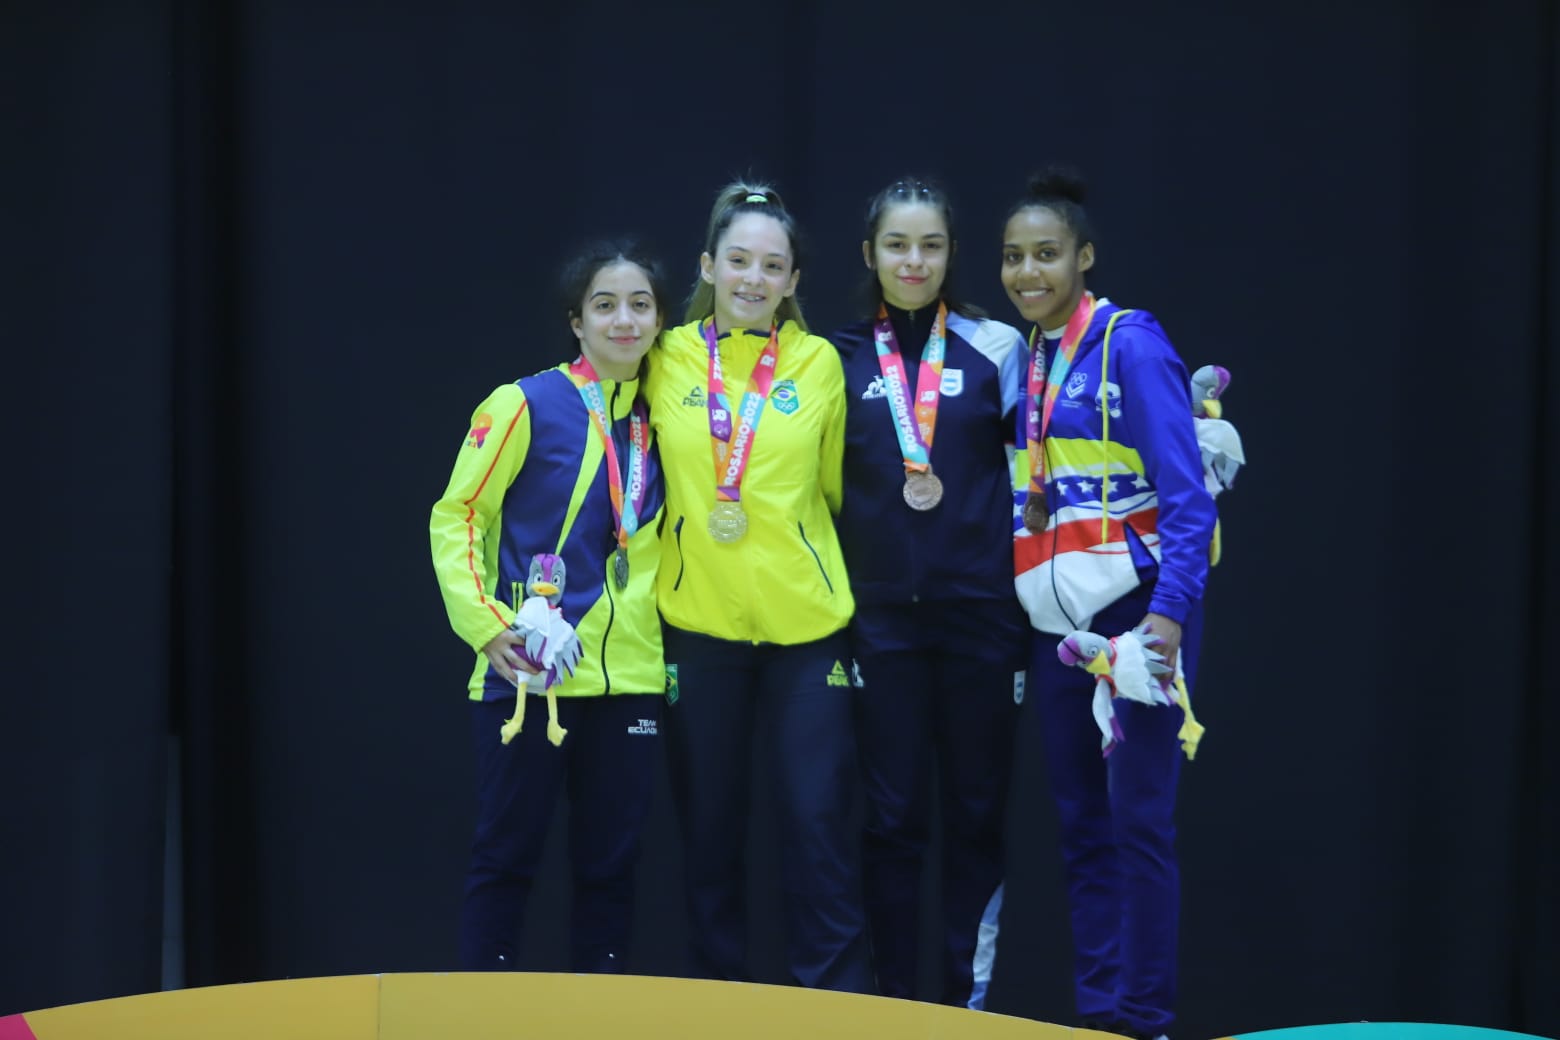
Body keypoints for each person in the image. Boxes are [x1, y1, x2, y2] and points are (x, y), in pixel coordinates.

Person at [1001, 168, 1218, 1040]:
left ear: (1084, 258)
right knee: (1082, 829)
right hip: (1058, 632)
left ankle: (1144, 1020)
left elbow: (1189, 498)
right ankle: (1098, 1019)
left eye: (1046, 254)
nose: (1028, 272)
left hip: (1137, 617)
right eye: (1013, 257)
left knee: (1137, 826)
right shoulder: (1031, 357)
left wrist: (1169, 616)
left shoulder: (1131, 343)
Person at [643, 181, 870, 992]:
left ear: (793, 280)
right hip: (698, 626)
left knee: (818, 823)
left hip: (807, 631)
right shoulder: (664, 356)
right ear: (708, 266)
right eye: (738, 260)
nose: (753, 278)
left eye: (772, 266)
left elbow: (833, 488)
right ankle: (721, 1009)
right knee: (709, 830)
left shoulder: (818, 363)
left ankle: (835, 1011)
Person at [429, 242, 669, 975]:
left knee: (612, 868)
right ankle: (483, 1014)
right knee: (507, 857)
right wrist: (486, 627)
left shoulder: (671, 416)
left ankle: (598, 1017)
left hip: (631, 678)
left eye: (640, 305)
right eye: (605, 305)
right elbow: (457, 515)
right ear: (576, 321)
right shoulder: (524, 403)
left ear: (660, 320)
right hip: (529, 673)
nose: (624, 320)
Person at [828, 176, 1029, 1009]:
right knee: (892, 822)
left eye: (931, 245)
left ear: (951, 253)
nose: (914, 261)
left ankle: (965, 1007)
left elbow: (1043, 463)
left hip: (984, 620)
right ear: (869, 253)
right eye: (897, 245)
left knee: (977, 817)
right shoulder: (833, 356)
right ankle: (895, 1007)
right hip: (880, 625)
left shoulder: (997, 347)